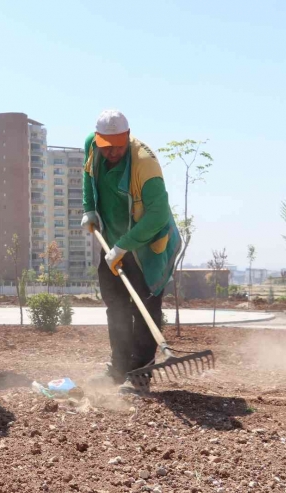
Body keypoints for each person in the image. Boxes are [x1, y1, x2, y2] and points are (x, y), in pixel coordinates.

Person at [80, 110, 180, 393]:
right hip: (112, 244)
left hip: (148, 246)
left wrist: (124, 246)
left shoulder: (144, 164)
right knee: (116, 307)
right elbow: (88, 176)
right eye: (106, 146)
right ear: (98, 139)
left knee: (146, 306)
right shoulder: (92, 145)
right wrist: (89, 208)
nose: (112, 152)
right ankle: (118, 369)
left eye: (119, 145)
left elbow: (158, 214)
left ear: (128, 136)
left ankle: (140, 374)